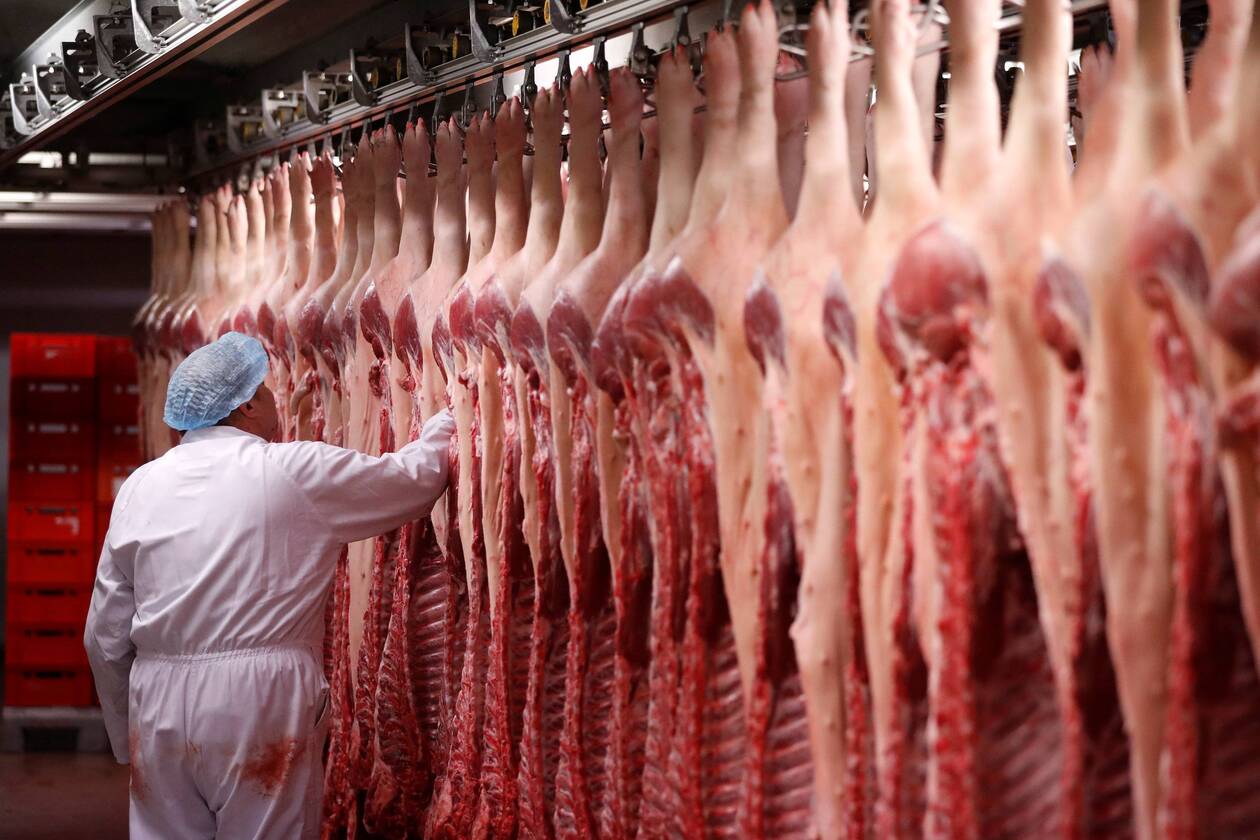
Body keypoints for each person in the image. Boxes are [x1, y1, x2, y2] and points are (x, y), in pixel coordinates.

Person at [84, 332, 455, 839]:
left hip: (158, 700)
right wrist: (449, 418)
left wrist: (127, 731)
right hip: (259, 699)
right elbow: (413, 480)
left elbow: (103, 635)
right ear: (247, 405)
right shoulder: (290, 470)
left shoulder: (139, 487)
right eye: (264, 390)